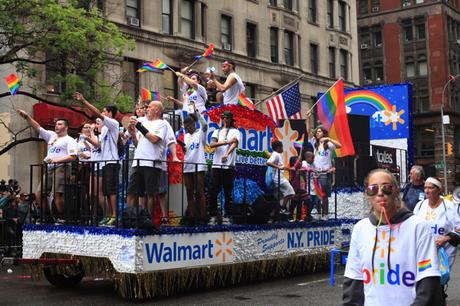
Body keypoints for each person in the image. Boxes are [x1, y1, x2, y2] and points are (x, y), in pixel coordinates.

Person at [343, 169, 442, 305]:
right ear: (367, 194)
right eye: (373, 188)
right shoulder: (360, 229)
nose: (380, 193)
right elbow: (353, 283)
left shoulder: (418, 227)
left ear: (396, 190)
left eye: (387, 187)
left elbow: (428, 284)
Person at [17, 109, 77, 221]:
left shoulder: (70, 140)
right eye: (56, 124)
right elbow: (38, 127)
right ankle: (48, 217)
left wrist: (55, 161)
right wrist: (27, 117)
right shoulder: (51, 136)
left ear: (66, 127)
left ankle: (63, 217)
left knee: (57, 195)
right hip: (50, 168)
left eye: (59, 124)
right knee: (38, 194)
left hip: (62, 168)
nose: (56, 126)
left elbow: (72, 157)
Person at [74, 92, 120, 226]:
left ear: (110, 113)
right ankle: (109, 215)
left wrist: (84, 100)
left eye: (104, 111)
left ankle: (114, 216)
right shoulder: (105, 129)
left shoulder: (113, 123)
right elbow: (99, 146)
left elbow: (96, 113)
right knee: (106, 191)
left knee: (111, 190)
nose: (102, 113)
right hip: (105, 163)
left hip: (112, 161)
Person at [413, 177, 460, 303]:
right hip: (423, 252)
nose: (427, 191)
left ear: (438, 190)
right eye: (425, 188)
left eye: (430, 188)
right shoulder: (420, 206)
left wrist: (446, 238)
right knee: (423, 282)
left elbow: (459, 228)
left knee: (437, 283)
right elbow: (412, 226)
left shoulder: (449, 206)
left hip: (442, 253)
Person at [126, 101, 168, 227]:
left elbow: (154, 139)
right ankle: (130, 218)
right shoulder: (143, 122)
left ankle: (148, 220)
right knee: (131, 192)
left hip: (152, 162)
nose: (146, 109)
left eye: (149, 107)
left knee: (150, 193)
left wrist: (139, 126)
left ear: (156, 110)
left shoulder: (162, 124)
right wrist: (133, 134)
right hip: (138, 161)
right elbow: (138, 144)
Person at [306, 111, 342, 220]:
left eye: (319, 131)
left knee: (324, 195)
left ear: (324, 133)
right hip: (315, 172)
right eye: (317, 132)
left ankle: (325, 215)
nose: (317, 133)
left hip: (325, 173)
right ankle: (318, 213)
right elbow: (308, 131)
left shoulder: (328, 145)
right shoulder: (315, 143)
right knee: (316, 195)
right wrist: (308, 118)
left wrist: (329, 139)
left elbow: (339, 145)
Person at [208, 110, 240, 225]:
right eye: (223, 117)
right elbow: (212, 144)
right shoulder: (217, 131)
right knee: (213, 191)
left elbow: (234, 143)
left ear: (231, 119)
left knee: (228, 192)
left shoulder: (235, 131)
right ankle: (213, 215)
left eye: (227, 117)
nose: (224, 119)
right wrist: (227, 141)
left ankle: (227, 215)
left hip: (228, 166)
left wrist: (227, 154)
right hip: (216, 164)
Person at [182, 112, 208, 225]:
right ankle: (192, 216)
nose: (186, 128)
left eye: (188, 126)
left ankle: (202, 216)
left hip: (199, 165)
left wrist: (198, 116)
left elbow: (205, 125)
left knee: (199, 191)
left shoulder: (200, 133)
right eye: (185, 126)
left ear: (193, 125)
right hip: (187, 166)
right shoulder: (186, 136)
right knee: (189, 191)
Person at [266, 140, 295, 216]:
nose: (283, 149)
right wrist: (278, 167)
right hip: (278, 179)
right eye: (282, 147)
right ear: (279, 147)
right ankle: (283, 208)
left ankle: (273, 216)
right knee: (291, 192)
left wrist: (288, 168)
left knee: (277, 199)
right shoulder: (276, 154)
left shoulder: (277, 155)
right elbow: (268, 162)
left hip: (278, 178)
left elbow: (281, 167)